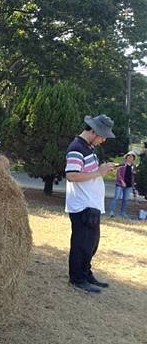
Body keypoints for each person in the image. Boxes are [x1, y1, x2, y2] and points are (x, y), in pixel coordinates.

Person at [65, 114, 116, 294]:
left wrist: (101, 169)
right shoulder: (76, 148)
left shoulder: (88, 148)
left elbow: (87, 172)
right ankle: (77, 278)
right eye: (102, 136)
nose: (103, 140)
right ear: (93, 131)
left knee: (91, 243)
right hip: (82, 206)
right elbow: (71, 175)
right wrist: (99, 172)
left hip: (90, 204)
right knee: (81, 243)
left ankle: (86, 273)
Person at [108, 152, 137, 218]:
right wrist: (122, 181)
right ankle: (111, 212)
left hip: (129, 185)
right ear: (126, 157)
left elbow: (133, 176)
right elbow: (118, 174)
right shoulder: (122, 165)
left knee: (125, 199)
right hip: (120, 184)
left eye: (132, 157)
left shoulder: (133, 166)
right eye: (129, 156)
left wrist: (133, 186)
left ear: (133, 159)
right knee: (116, 197)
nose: (130, 158)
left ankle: (123, 213)